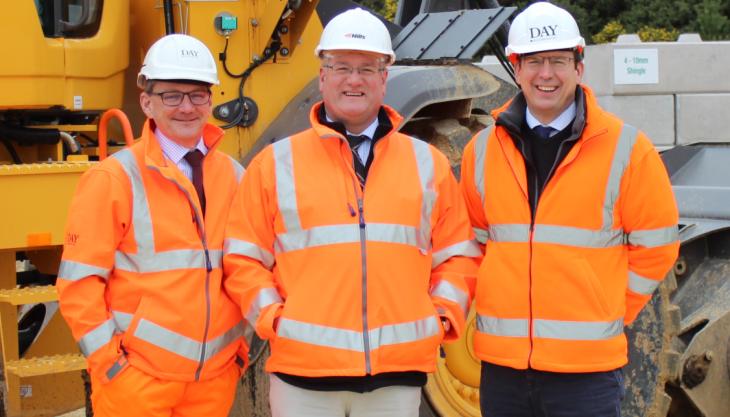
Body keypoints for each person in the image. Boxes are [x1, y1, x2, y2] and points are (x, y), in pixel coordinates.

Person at [223, 7, 479, 417]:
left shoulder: (426, 163)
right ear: (322, 76)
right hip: (302, 381)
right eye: (341, 67)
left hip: (395, 381)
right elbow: (243, 258)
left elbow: (458, 255)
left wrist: (441, 317)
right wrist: (274, 319)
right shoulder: (274, 165)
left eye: (367, 68)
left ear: (384, 77)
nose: (354, 80)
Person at [459, 2, 679, 417]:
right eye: (535, 61)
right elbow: (472, 245)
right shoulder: (481, 151)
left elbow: (658, 248)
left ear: (579, 66)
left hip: (586, 376)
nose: (546, 74)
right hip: (502, 371)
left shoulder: (627, 150)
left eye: (558, 61)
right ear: (515, 67)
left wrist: (609, 310)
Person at [56, 34, 248, 417]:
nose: (186, 107)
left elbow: (248, 268)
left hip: (214, 378)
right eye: (172, 96)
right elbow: (79, 285)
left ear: (211, 100)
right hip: (137, 381)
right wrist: (110, 364)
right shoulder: (114, 179)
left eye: (197, 95)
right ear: (147, 102)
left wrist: (237, 355)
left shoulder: (235, 176)